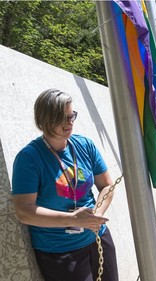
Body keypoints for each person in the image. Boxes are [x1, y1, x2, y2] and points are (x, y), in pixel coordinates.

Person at [11, 89, 118, 281]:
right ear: (44, 120)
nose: (69, 123)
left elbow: (107, 185)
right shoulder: (29, 158)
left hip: (98, 238)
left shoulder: (85, 145)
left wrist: (98, 214)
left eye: (71, 116)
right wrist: (72, 219)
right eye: (62, 118)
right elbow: (23, 211)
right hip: (60, 251)